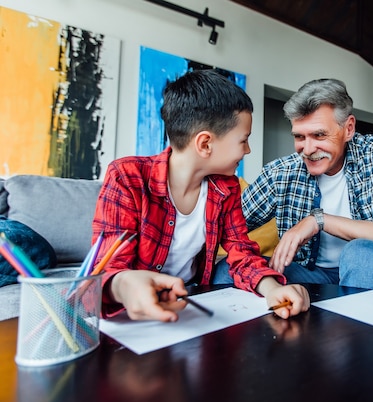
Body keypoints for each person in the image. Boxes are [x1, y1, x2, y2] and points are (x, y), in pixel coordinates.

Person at [92, 69, 310, 322]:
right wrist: (125, 284)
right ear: (205, 144)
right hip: (132, 315)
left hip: (193, 303)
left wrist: (273, 289)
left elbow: (241, 252)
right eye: (244, 140)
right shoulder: (127, 176)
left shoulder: (226, 188)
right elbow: (107, 268)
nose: (248, 150)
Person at [214, 78, 373, 289]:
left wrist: (318, 221)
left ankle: (352, 322)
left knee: (361, 252)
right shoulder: (280, 173)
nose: (307, 149)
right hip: (309, 273)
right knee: (228, 270)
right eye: (299, 137)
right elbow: (223, 225)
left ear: (348, 129)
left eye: (319, 135)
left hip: (369, 267)